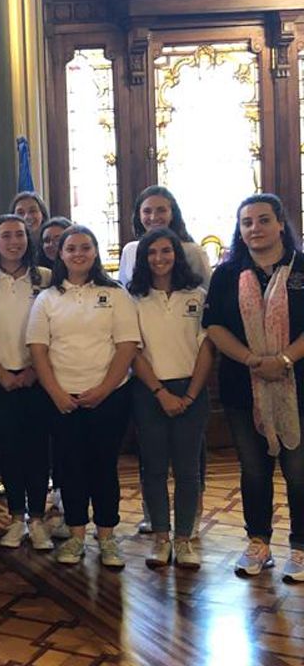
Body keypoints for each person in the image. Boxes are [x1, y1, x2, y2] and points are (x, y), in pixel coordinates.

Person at [203, 194, 304, 581]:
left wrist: (283, 361)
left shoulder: (300, 268)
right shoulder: (227, 274)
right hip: (244, 388)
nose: (255, 229)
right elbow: (213, 327)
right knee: (254, 470)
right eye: (247, 222)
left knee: (298, 472)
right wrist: (252, 360)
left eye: (263, 220)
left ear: (280, 224)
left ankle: (300, 547)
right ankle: (258, 543)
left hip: (296, 384)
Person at [27, 225, 140, 568]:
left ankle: (107, 537)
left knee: (103, 467)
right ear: (60, 254)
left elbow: (127, 347)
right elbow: (38, 350)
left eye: (85, 247)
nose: (78, 253)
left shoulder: (116, 294)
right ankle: (76, 535)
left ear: (95, 253)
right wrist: (57, 393)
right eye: (71, 248)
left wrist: (104, 390)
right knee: (71, 467)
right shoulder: (47, 298)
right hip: (61, 399)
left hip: (110, 397)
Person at [115, 187, 213, 536]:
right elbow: (132, 344)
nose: (159, 257)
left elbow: (206, 341)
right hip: (148, 385)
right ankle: (157, 527)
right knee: (152, 464)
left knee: (188, 464)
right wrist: (158, 390)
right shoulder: (133, 283)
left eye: (161, 210)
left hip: (190, 383)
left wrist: (189, 394)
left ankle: (187, 527)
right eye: (147, 211)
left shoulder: (196, 281)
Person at [0, 215, 54, 550]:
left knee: (38, 450)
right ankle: (16, 518)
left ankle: (37, 520)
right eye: (5, 236)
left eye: (19, 235)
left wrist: (34, 371)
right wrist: (1, 373)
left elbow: (56, 327)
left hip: (39, 377)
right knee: (8, 450)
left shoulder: (46, 278)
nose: (13, 242)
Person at [117, 186, 212, 288]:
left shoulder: (193, 251)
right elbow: (124, 293)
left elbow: (207, 291)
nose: (153, 217)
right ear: (139, 215)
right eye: (147, 211)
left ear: (172, 214)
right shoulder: (130, 250)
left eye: (161, 210)